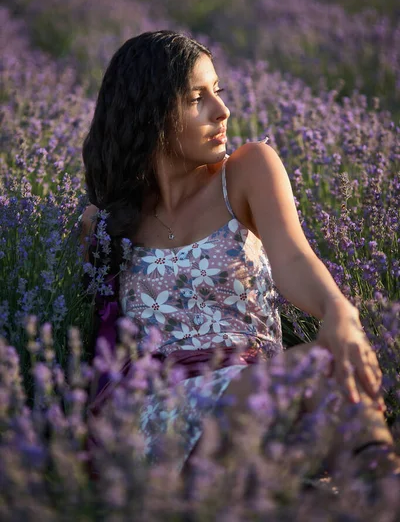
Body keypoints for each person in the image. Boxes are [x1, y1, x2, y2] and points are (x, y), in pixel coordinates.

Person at [80, 30, 399, 488]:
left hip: (258, 390)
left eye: (219, 91)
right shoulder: (107, 224)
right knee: (317, 369)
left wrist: (339, 312)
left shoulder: (247, 171)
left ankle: (375, 487)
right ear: (149, 112)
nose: (221, 111)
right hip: (158, 413)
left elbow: (293, 259)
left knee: (323, 454)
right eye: (197, 98)